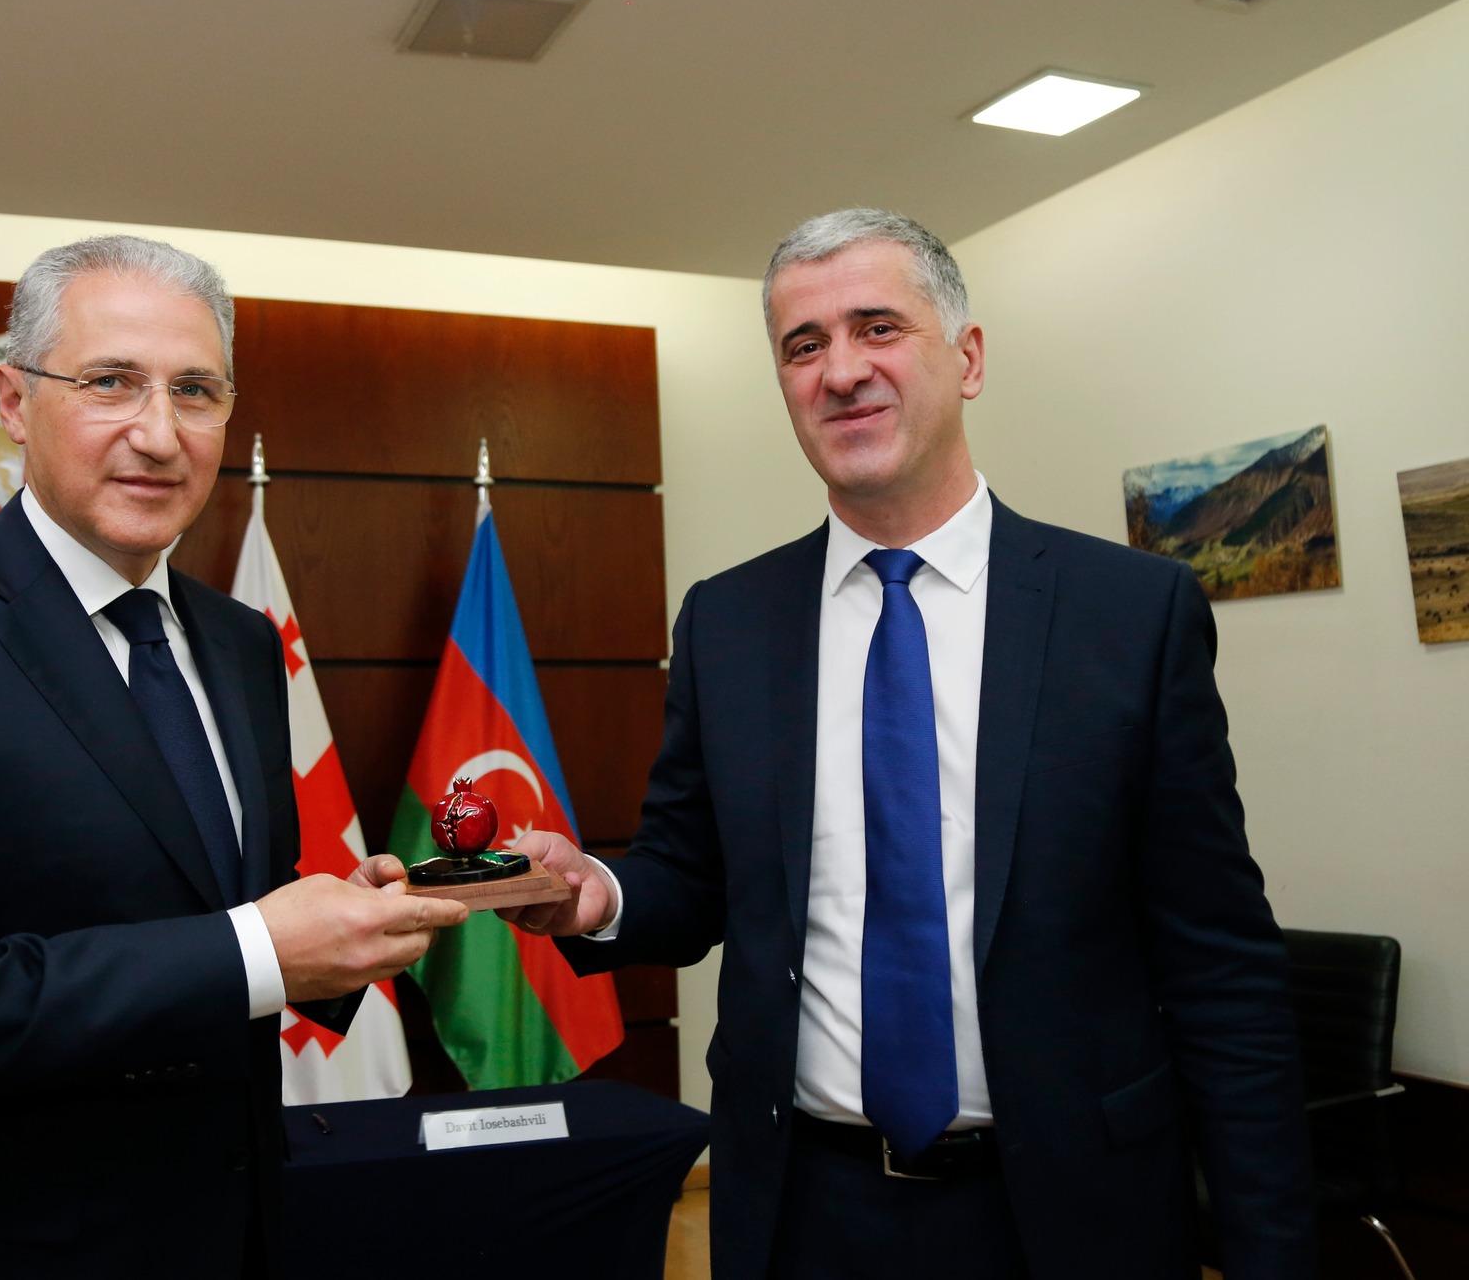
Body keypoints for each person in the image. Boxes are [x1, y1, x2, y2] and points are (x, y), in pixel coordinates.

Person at [504, 209, 1312, 1279]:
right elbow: (694, 875)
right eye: (803, 345)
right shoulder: (727, 621)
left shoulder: (1129, 612)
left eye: (877, 327)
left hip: (1071, 1212)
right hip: (802, 1212)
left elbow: (1219, 963)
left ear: (966, 358)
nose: (840, 371)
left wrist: (1271, 1254)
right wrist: (596, 891)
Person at [0, 234, 466, 1279]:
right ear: (15, 402)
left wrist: (345, 925)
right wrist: (258, 947)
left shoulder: (241, 642)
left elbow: (211, 895)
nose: (158, 433)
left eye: (195, 390)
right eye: (110, 381)